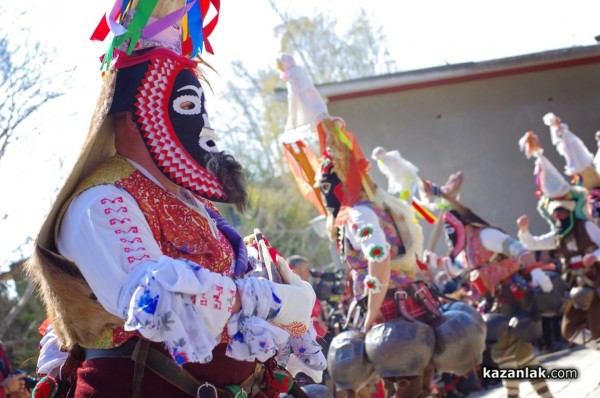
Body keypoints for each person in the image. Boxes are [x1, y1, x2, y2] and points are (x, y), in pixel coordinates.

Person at [24, 2, 319, 397]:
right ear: (132, 113)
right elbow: (153, 298)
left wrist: (282, 293)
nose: (202, 125)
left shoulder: (195, 205)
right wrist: (268, 300)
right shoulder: (101, 200)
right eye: (185, 106)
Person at [278, 53, 485, 398]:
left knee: (404, 388)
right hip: (414, 304)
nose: (321, 196)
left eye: (324, 188)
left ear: (335, 187)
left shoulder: (359, 215)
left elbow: (379, 258)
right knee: (417, 386)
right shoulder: (379, 204)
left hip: (393, 311)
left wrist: (370, 314)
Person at [437, 193, 554, 398]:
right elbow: (463, 270)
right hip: (492, 302)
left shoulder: (485, 236)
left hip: (511, 296)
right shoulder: (466, 248)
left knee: (505, 353)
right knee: (519, 355)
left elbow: (518, 249)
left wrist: (536, 271)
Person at [518, 129, 600, 350]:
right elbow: (533, 244)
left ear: (571, 212)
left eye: (562, 213)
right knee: (569, 329)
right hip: (577, 290)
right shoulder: (558, 236)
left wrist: (595, 256)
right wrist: (524, 231)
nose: (559, 217)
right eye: (555, 214)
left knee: (597, 324)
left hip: (598, 283)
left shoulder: (587, 227)